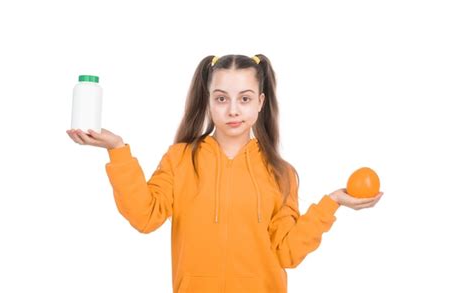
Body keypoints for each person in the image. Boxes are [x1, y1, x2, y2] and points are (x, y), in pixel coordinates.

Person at [66, 54, 383, 293]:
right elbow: (144, 216)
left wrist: (331, 203)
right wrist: (118, 150)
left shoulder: (281, 172)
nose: (233, 110)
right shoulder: (180, 159)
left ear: (260, 103)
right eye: (221, 98)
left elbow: (288, 252)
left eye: (244, 98)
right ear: (208, 102)